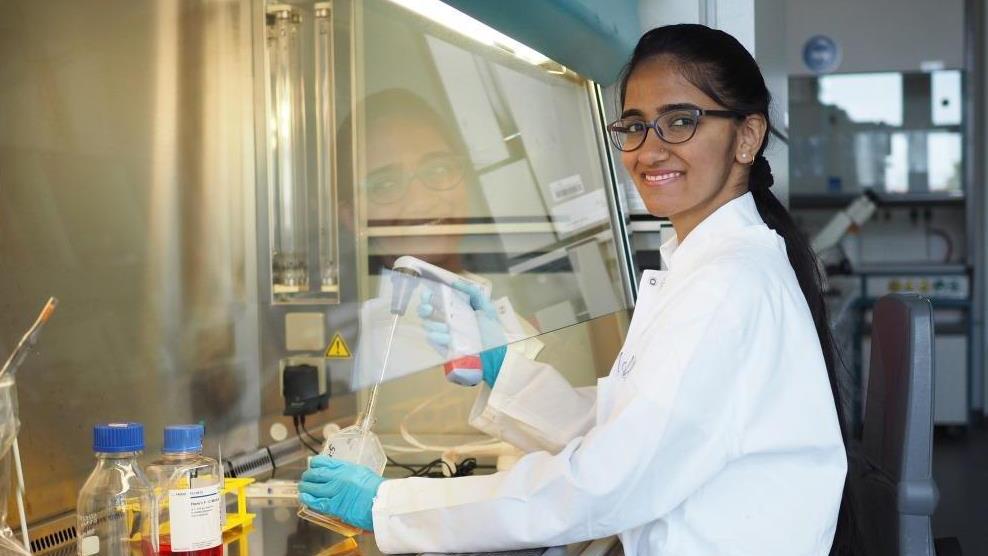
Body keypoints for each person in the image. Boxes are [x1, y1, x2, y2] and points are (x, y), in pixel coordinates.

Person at [298, 24, 851, 555]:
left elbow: (604, 484)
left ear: (747, 135)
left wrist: (389, 506)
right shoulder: (706, 269)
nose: (649, 150)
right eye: (634, 126)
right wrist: (505, 371)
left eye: (679, 121)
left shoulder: (726, 288)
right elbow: (621, 437)